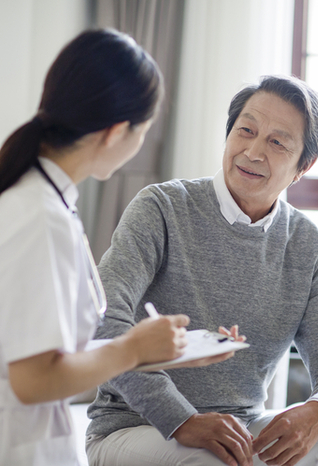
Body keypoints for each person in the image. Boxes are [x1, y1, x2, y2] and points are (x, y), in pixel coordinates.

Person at [85, 75, 318, 466]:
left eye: (277, 142)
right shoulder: (161, 207)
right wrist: (182, 419)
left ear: (302, 166)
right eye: (246, 131)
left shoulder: (309, 246)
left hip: (239, 431)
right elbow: (105, 317)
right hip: (134, 429)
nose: (254, 151)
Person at [0, 29, 209, 466]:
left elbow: (47, 354)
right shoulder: (39, 216)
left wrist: (147, 348)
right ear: (117, 132)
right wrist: (130, 350)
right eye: (144, 132)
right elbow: (33, 379)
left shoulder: (43, 199)